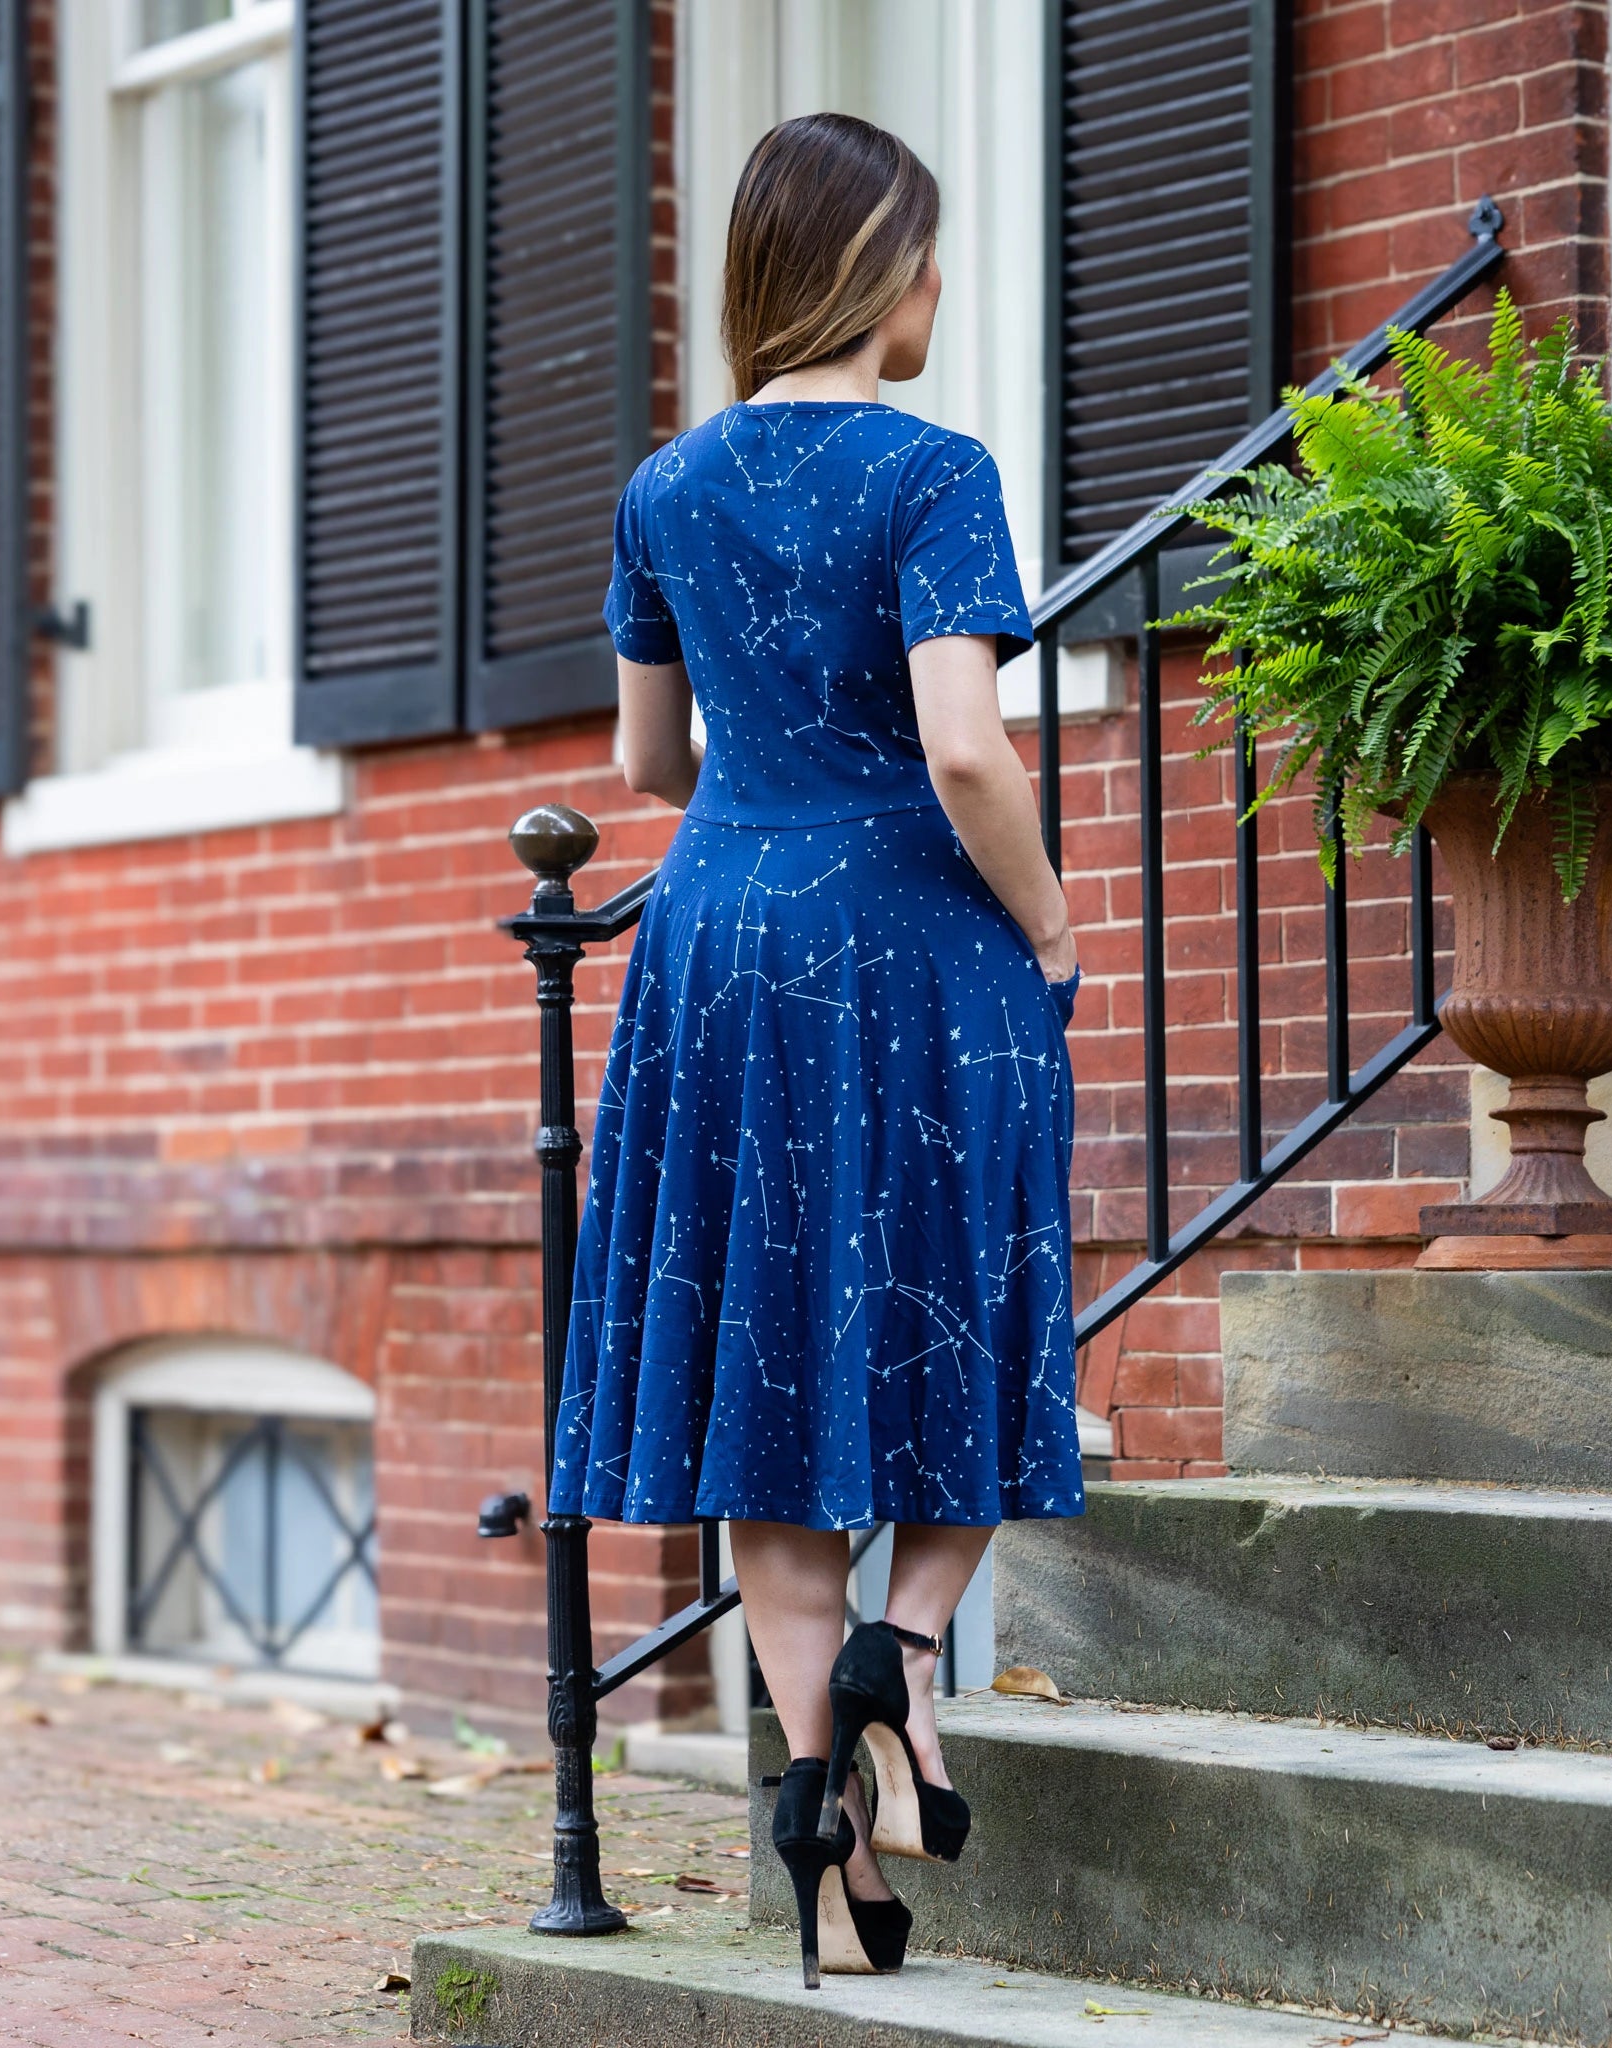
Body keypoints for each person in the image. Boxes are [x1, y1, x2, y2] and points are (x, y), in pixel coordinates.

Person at [547, 111, 1083, 1988]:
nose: (941, 291)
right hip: (915, 939)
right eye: (927, 259)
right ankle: (911, 1656)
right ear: (882, 278)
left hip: (719, 939)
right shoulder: (938, 475)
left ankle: (835, 1871)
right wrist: (1047, 917)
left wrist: (762, 796)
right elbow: (963, 745)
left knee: (772, 1356)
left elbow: (640, 765)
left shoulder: (665, 489)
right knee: (963, 1293)